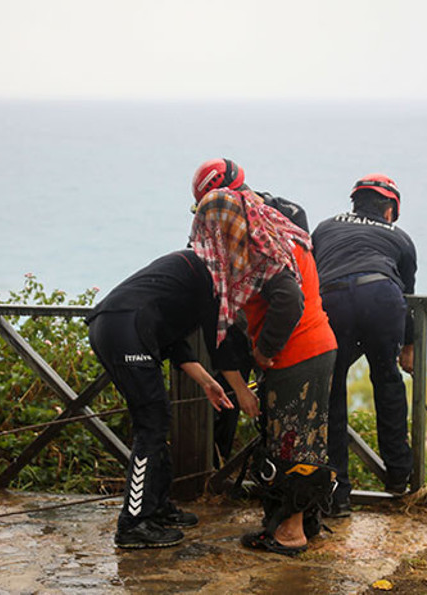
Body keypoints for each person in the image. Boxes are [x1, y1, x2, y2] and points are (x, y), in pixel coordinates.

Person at [189, 182, 337, 556]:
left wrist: (263, 350)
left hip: (295, 355)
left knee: (288, 446)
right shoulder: (281, 234)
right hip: (319, 346)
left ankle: (289, 534)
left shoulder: (259, 251)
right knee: (307, 443)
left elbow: (289, 298)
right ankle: (308, 523)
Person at [86, 250, 251, 549]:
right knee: (150, 424)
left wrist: (207, 382)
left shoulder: (191, 270)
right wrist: (241, 390)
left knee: (157, 420)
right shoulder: (211, 275)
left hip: (116, 326)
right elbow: (220, 345)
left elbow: (174, 341)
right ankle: (133, 523)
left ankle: (156, 507)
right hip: (125, 328)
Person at [188, 158, 310, 465]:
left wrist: (264, 346)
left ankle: (233, 471)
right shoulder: (290, 214)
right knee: (279, 411)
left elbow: (290, 288)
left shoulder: (269, 217)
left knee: (260, 407)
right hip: (280, 328)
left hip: (262, 327)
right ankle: (243, 472)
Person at [311, 173, 417, 516]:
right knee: (387, 380)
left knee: (332, 391)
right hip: (381, 297)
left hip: (333, 300)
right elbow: (408, 297)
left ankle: (337, 493)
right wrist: (409, 347)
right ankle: (399, 477)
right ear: (389, 210)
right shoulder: (400, 238)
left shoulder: (325, 227)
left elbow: (311, 276)